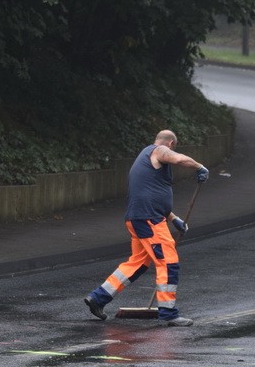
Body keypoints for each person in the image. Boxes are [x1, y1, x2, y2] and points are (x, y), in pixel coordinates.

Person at [83, 129, 208, 327]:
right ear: (171, 144)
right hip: (150, 220)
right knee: (168, 262)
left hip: (139, 219)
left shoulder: (145, 161)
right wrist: (199, 166)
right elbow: (177, 159)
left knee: (138, 263)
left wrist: (174, 218)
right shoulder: (159, 151)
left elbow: (151, 195)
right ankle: (168, 313)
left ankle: (98, 298)